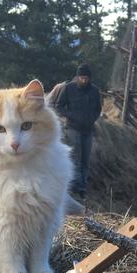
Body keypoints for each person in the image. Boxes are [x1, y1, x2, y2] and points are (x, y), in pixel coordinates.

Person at [54, 63, 102, 198]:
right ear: (77, 76)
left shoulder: (94, 91)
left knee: (86, 158)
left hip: (88, 129)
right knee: (76, 156)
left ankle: (82, 187)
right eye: (81, 77)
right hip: (73, 128)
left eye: (86, 78)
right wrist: (72, 116)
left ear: (89, 78)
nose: (83, 80)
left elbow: (98, 109)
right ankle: (75, 185)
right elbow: (59, 106)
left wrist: (92, 118)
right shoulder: (68, 88)